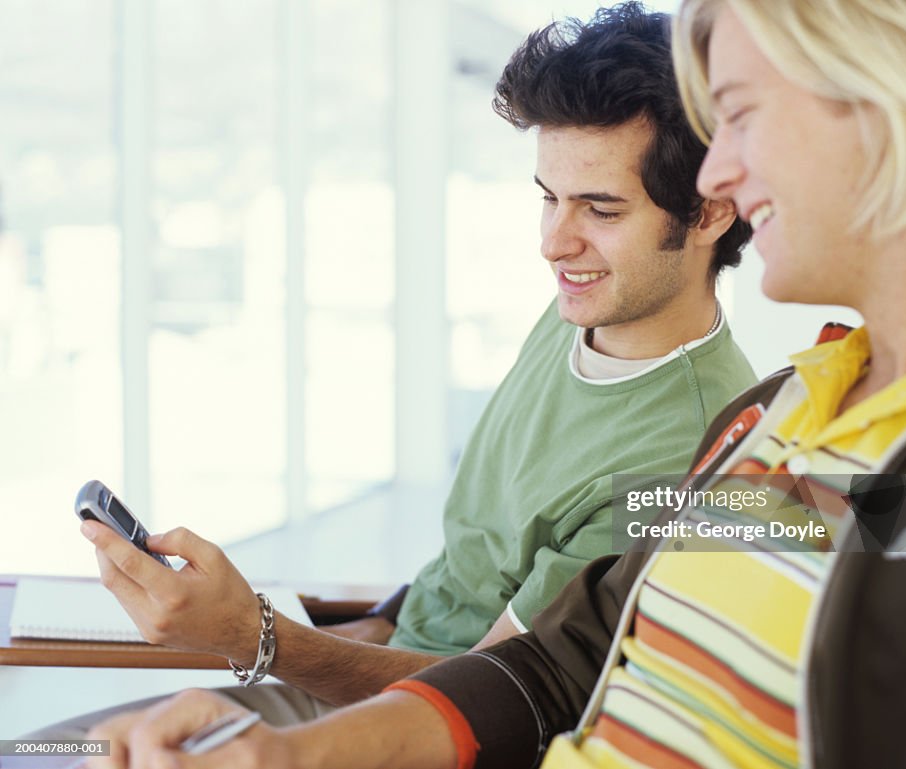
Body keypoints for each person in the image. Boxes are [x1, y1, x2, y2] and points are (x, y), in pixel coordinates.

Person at [84, 0, 906, 767]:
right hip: (393, 697)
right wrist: (288, 752)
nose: (725, 166)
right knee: (57, 750)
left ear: (899, 107)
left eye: (743, 111)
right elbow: (571, 656)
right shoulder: (776, 413)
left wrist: (260, 641)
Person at [34, 0, 754, 745]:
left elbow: (491, 696)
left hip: (403, 726)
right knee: (44, 749)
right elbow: (476, 560)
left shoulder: (686, 453)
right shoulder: (592, 303)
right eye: (548, 198)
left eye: (599, 210)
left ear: (709, 214)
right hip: (364, 663)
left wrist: (254, 634)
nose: (553, 242)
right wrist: (341, 626)